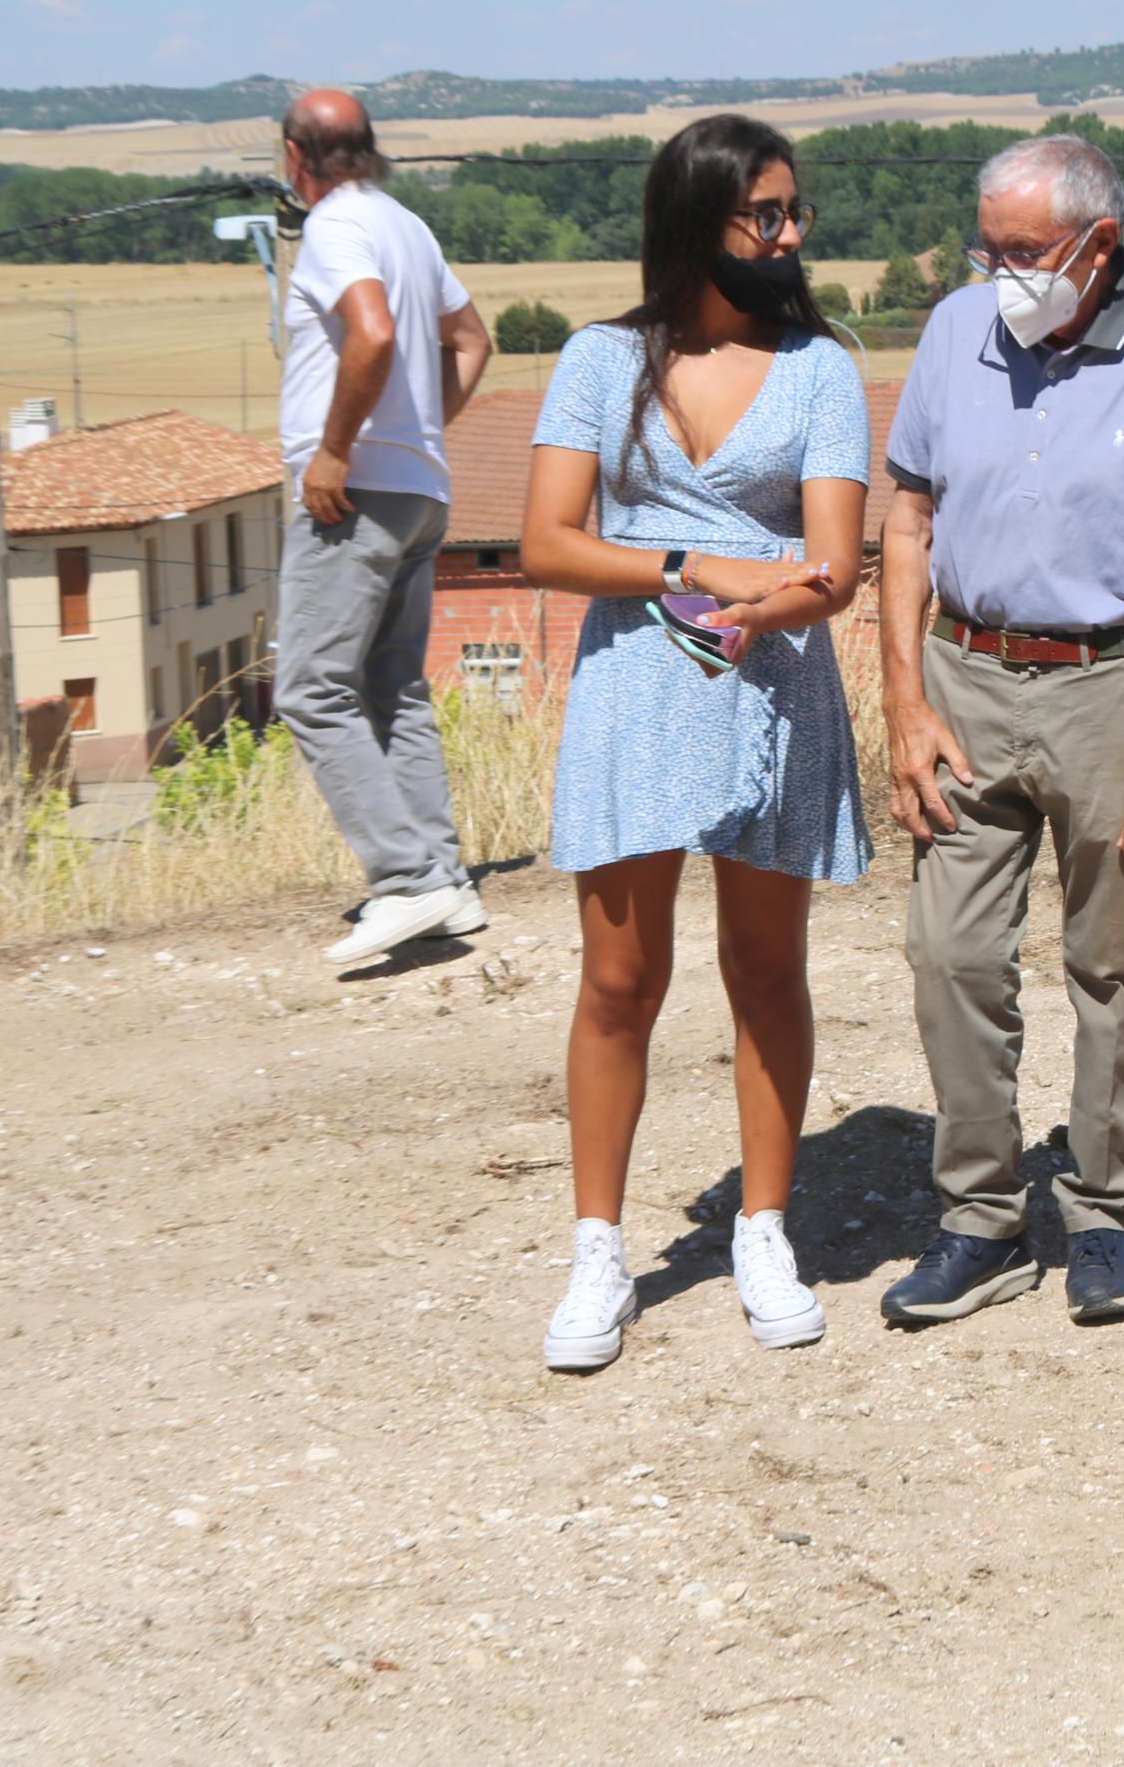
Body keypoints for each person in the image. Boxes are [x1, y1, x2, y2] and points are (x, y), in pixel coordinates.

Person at [874, 133, 1124, 1329]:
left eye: (1024, 252)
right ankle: (981, 1219)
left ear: (1099, 243)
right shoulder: (953, 331)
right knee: (950, 956)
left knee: (1113, 962)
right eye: (988, 248)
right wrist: (902, 700)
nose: (1001, 273)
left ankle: (1103, 1208)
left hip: (1119, 685)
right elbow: (907, 520)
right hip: (969, 674)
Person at [517, 114, 871, 1367]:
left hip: (768, 683)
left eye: (793, 214)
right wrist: (691, 562)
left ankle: (764, 1226)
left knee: (766, 973)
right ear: (696, 221)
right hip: (632, 690)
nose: (786, 234)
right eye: (762, 214)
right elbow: (547, 542)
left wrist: (760, 605)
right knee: (620, 981)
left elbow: (837, 564)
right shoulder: (598, 360)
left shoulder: (822, 368)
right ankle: (598, 1250)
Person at [272, 89, 495, 966]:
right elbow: (473, 338)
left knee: (310, 688)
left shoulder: (331, 229)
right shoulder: (407, 225)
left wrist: (335, 452)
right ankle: (448, 883)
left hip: (352, 493)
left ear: (295, 157)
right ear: (367, 150)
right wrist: (421, 431)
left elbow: (369, 334)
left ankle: (406, 882)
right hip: (418, 490)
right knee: (391, 686)